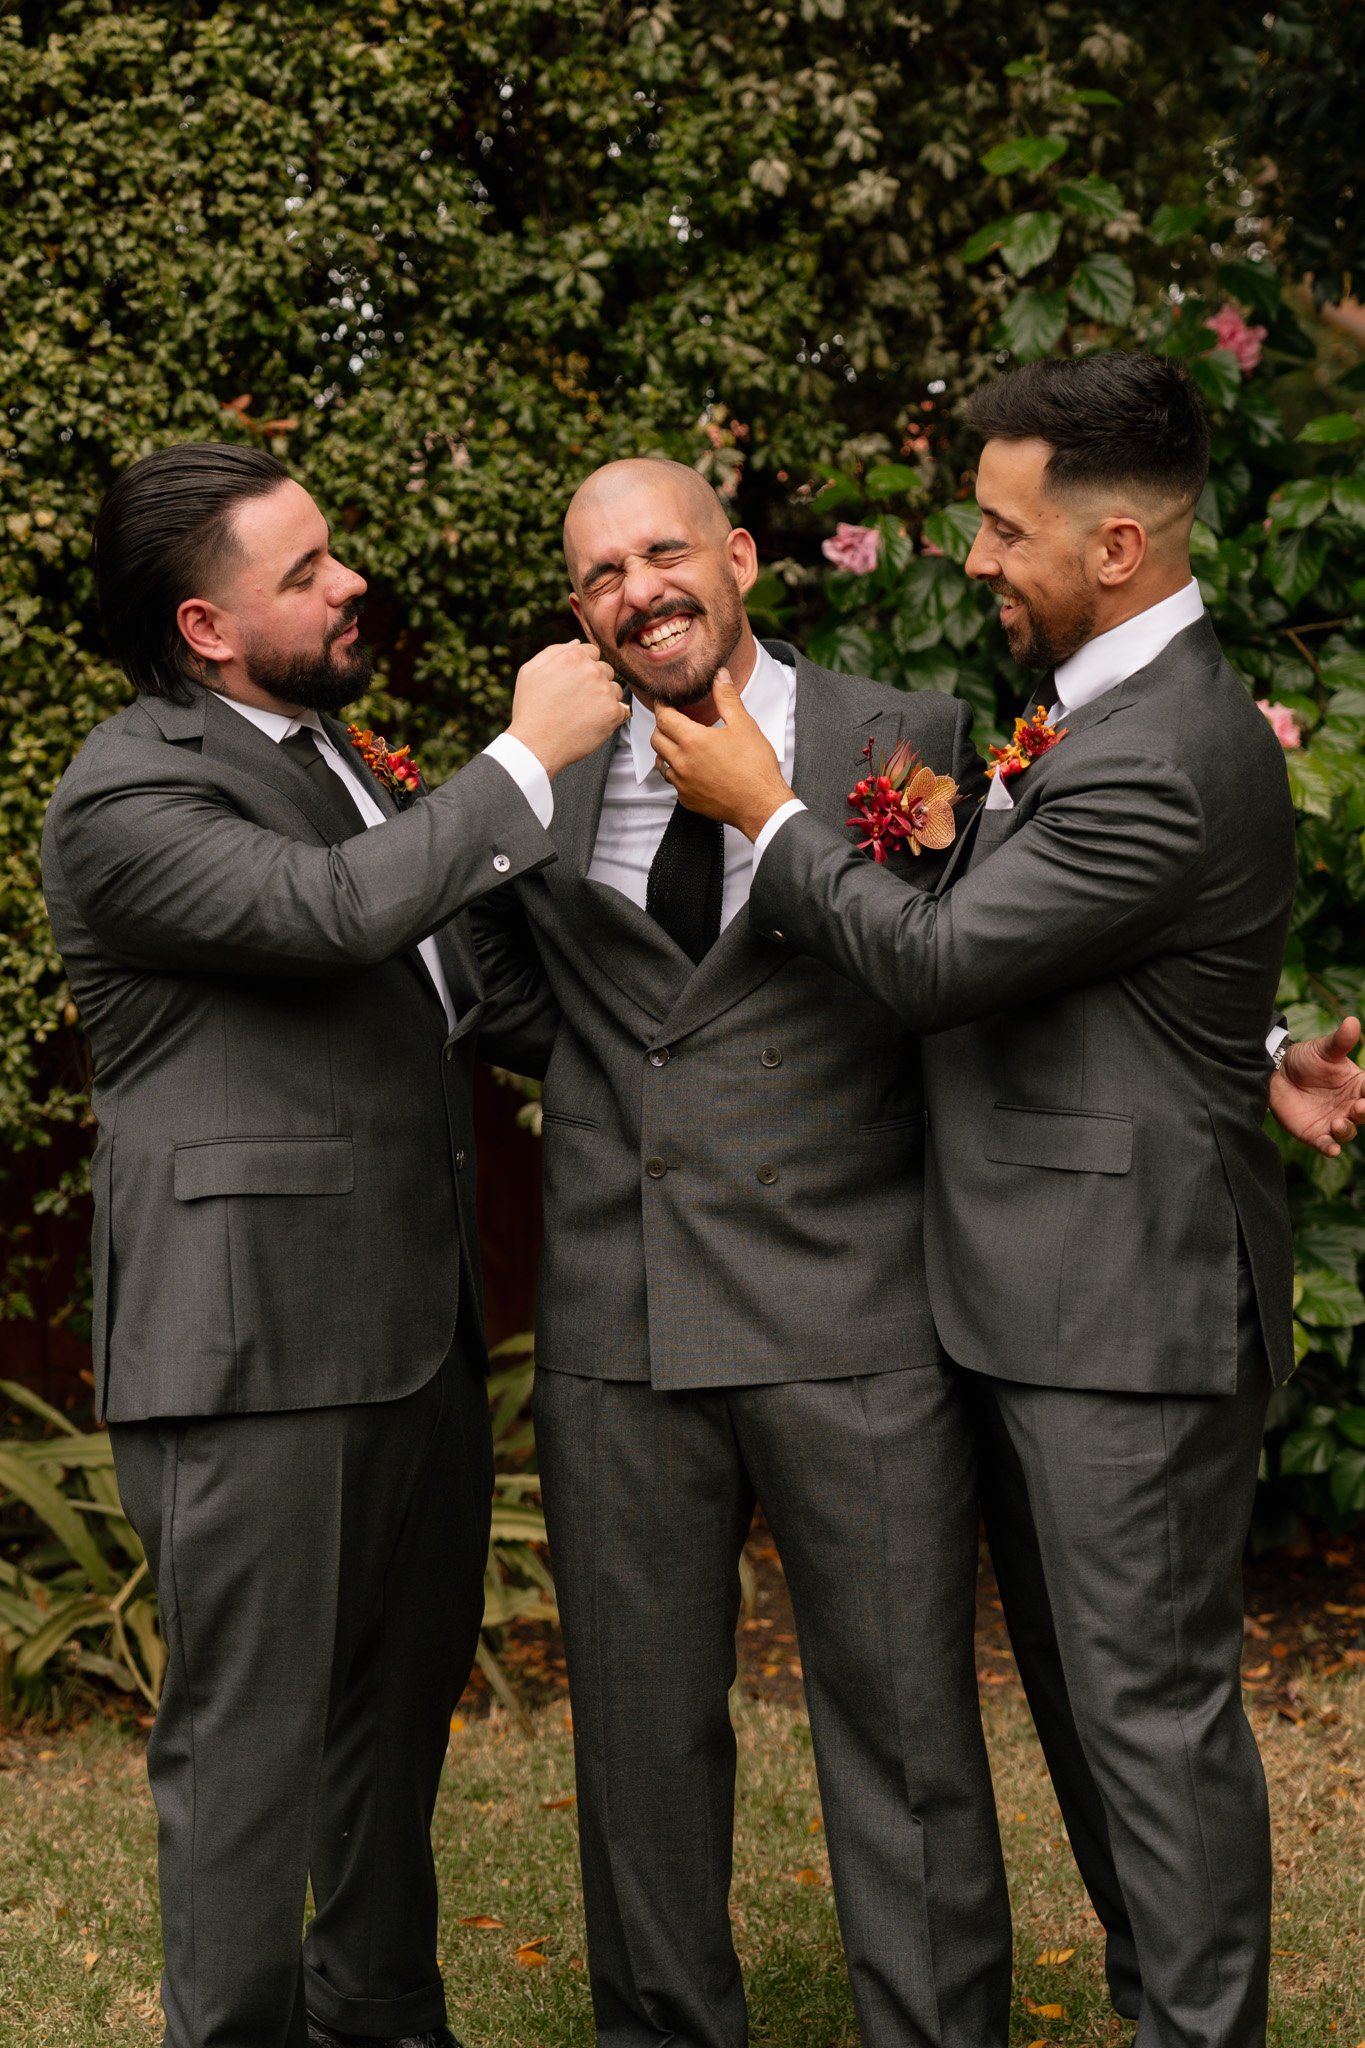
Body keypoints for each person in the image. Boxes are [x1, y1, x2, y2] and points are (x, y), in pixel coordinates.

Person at [650, 351, 1365, 2048]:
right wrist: (1245, 1036)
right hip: (1048, 1294)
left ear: (1110, 548)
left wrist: (768, 814)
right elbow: (1108, 959)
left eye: (998, 527)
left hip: (1122, 1307)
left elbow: (945, 961)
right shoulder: (1104, 709)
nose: (972, 559)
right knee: (1091, 1710)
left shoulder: (1156, 744)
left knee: (1149, 1716)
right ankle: (1156, 2002)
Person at [40, 442, 627, 2048]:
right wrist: (521, 762)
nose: (346, 580)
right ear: (206, 628)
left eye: (331, 554)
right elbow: (326, 916)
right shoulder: (128, 788)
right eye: (302, 572)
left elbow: (476, 993)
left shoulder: (333, 754)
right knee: (251, 1741)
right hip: (253, 1347)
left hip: (408, 1328)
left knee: (391, 1714)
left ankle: (382, 2020)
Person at [471, 457, 1015, 2048]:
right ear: (576, 614)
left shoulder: (900, 737)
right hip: (615, 1321)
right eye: (596, 576)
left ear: (742, 559)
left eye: (662, 552)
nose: (636, 590)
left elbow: (973, 969)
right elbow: (503, 975)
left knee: (905, 1732)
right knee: (640, 1741)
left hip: (852, 1310)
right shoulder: (547, 771)